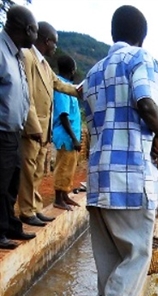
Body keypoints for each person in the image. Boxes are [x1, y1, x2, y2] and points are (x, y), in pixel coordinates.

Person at [83, 5, 158, 296]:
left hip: (99, 176)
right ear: (141, 35)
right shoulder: (140, 58)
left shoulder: (92, 72)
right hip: (130, 174)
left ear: (113, 33)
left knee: (110, 253)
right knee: (137, 251)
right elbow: (146, 102)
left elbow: (92, 122)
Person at [18, 21, 80, 227]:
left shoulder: (44, 64)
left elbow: (60, 85)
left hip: (44, 131)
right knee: (27, 171)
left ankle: (34, 208)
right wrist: (34, 126)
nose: (55, 46)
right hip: (33, 128)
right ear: (47, 40)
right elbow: (26, 95)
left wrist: (80, 89)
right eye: (54, 42)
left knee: (37, 171)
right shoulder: (27, 57)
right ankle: (26, 211)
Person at [0, 5, 39, 249]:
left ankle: (10, 226)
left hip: (14, 132)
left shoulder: (16, 56)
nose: (35, 35)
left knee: (12, 183)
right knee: (0, 184)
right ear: (27, 29)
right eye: (34, 30)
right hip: (1, 132)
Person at [52, 55, 82, 211]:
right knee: (63, 167)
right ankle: (58, 198)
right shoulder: (62, 87)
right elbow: (63, 115)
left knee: (69, 166)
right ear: (72, 70)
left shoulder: (69, 86)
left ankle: (64, 195)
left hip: (72, 136)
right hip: (65, 135)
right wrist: (73, 138)